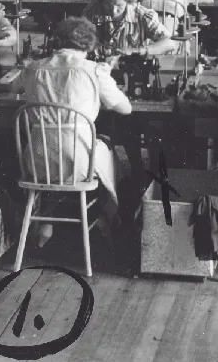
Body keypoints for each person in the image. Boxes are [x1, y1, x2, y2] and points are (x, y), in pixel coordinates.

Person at [10, 17, 132, 243]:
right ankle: (103, 217)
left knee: (60, 157)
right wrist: (103, 79)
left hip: (38, 160)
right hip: (78, 163)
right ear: (90, 44)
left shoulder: (34, 68)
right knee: (108, 146)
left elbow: (13, 87)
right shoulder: (93, 70)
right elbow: (125, 108)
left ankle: (47, 221)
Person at [82, 0, 176, 57]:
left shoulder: (143, 16)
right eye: (108, 5)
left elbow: (169, 43)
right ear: (102, 0)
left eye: (119, 6)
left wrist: (140, 51)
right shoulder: (92, 13)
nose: (114, 11)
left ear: (128, 1)